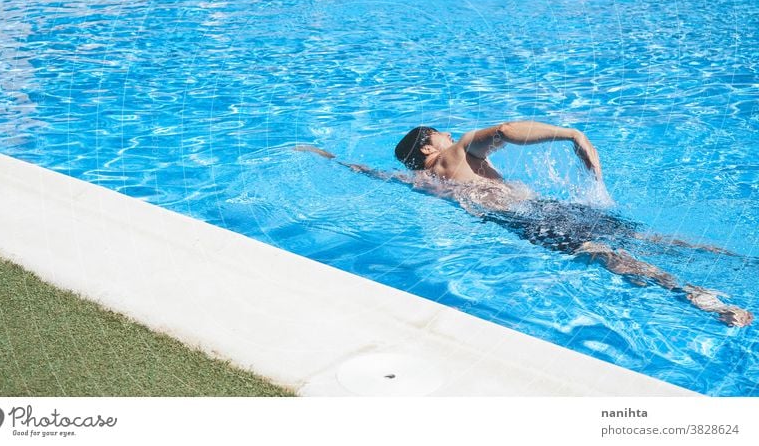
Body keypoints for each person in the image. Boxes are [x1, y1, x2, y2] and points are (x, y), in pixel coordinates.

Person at [299, 120, 753, 327]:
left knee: (611, 254)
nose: (445, 132)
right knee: (634, 241)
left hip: (521, 223)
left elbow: (367, 171)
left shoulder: (420, 182)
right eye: (437, 131)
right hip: (539, 211)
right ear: (427, 146)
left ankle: (701, 294)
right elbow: (506, 130)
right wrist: (571, 134)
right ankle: (716, 279)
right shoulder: (454, 153)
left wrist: (328, 156)